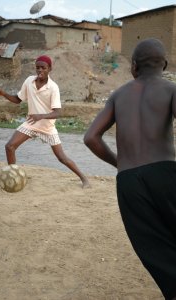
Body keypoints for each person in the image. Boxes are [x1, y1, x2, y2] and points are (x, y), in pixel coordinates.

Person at [84, 38, 176, 300]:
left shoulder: (118, 95)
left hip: (128, 182)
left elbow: (91, 138)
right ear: (164, 65)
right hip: (165, 173)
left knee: (157, 250)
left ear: (134, 67)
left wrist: (120, 163)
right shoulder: (170, 90)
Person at [0, 55, 90, 188]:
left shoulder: (53, 87)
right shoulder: (29, 81)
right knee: (9, 147)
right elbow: (18, 99)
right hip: (31, 123)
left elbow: (58, 112)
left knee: (62, 158)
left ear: (49, 69)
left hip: (47, 128)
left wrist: (41, 116)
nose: (40, 70)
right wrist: (4, 94)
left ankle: (84, 179)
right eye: (37, 67)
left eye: (43, 68)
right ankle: (14, 177)